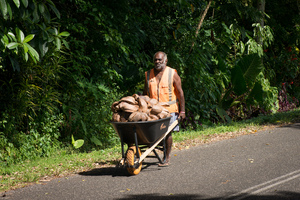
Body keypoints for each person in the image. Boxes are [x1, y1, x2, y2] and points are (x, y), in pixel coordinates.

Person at [143, 51, 186, 167]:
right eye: (155, 60)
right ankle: (158, 151)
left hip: (169, 109)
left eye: (160, 60)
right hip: (153, 111)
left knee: (167, 133)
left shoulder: (172, 73)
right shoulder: (148, 75)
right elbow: (145, 93)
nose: (157, 62)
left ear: (165, 61)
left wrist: (182, 111)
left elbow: (180, 93)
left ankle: (167, 157)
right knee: (155, 133)